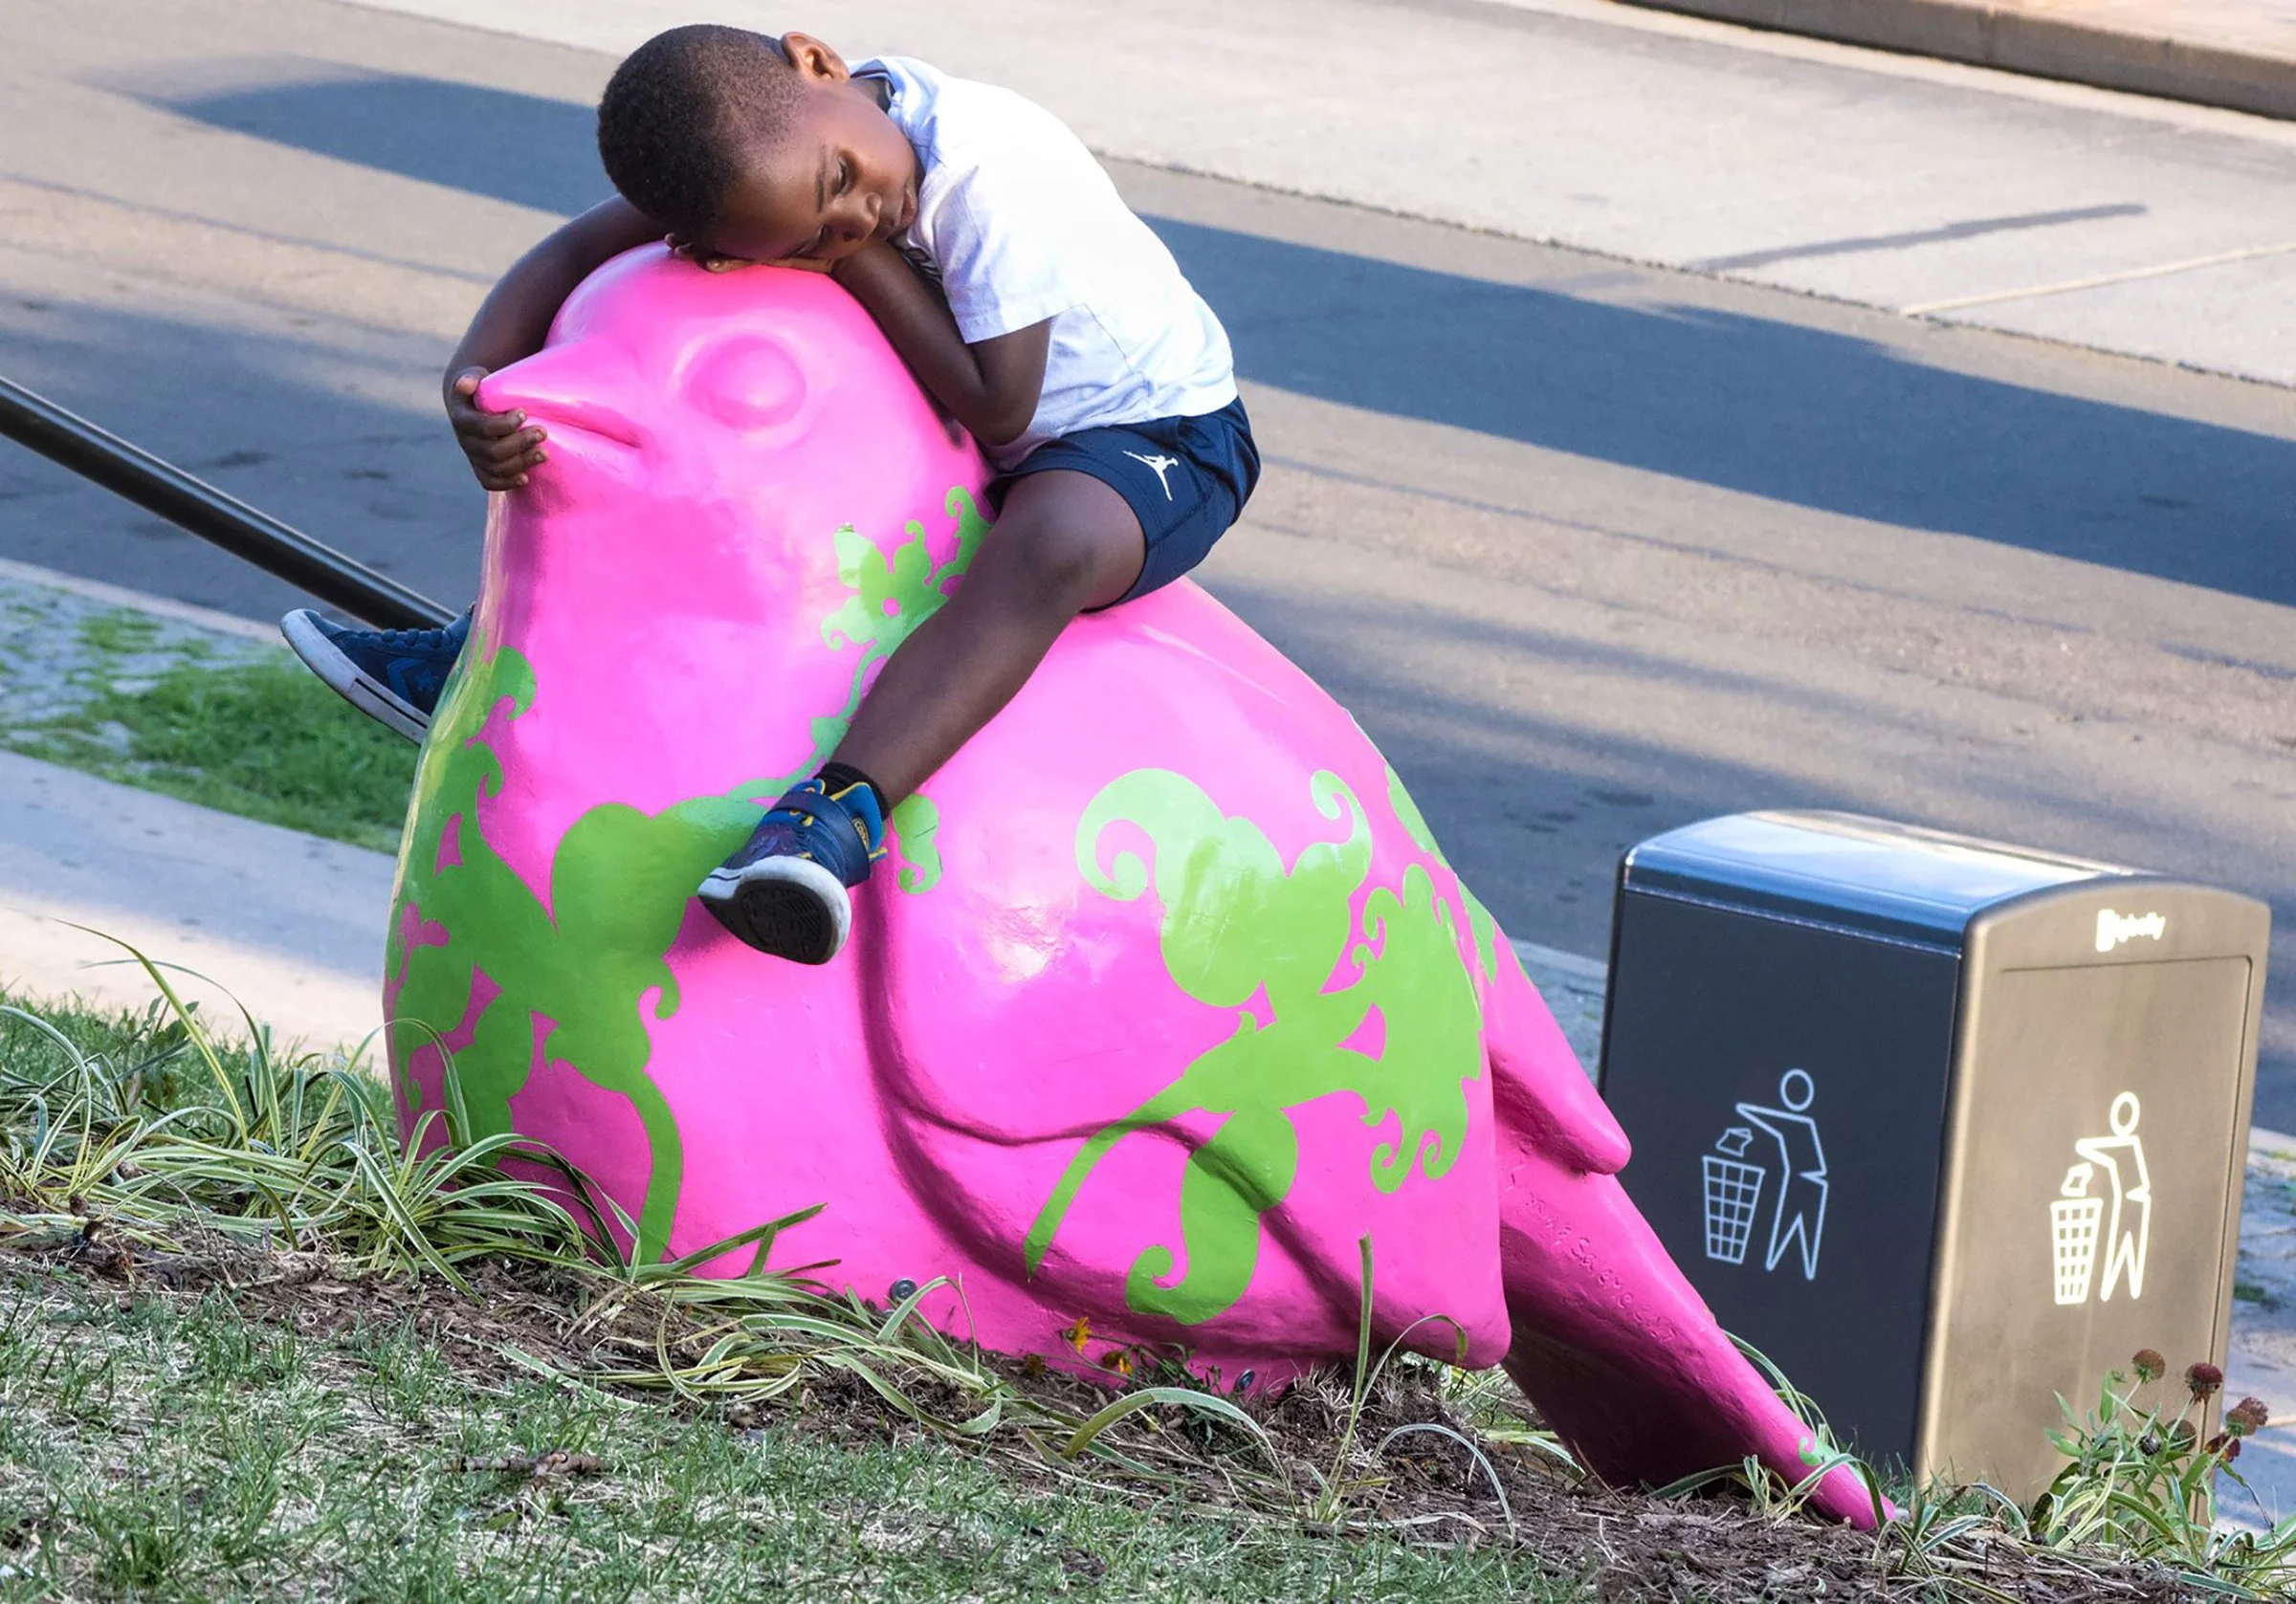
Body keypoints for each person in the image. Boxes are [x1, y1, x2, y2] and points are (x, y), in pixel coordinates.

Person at [282, 25, 1255, 966]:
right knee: (701, 408)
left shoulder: (988, 168)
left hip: (1152, 436)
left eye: (842, 187)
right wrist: (476, 381)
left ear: (820, 61)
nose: (857, 219)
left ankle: (838, 813)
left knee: (1052, 548)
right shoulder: (776, 157)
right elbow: (571, 253)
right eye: (823, 228)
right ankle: (494, 664)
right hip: (973, 435)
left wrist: (842, 259)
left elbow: (999, 408)